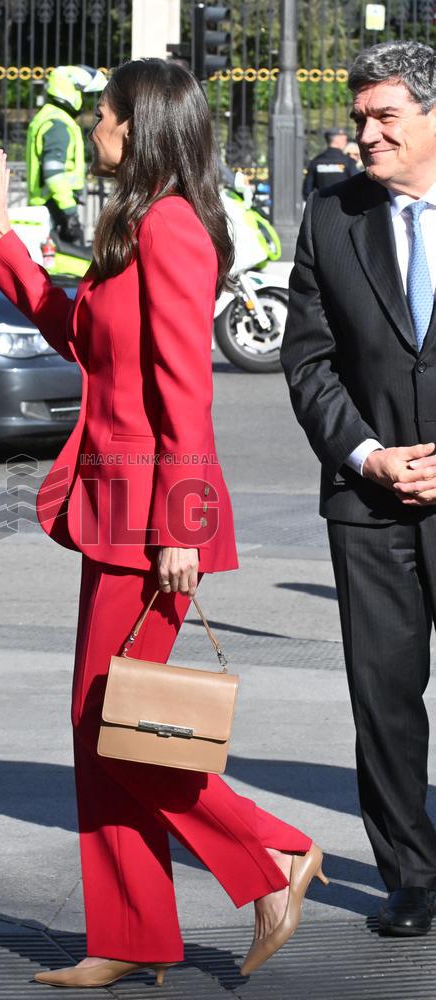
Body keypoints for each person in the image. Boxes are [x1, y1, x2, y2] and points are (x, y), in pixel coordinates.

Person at [0, 58, 325, 988]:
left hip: (154, 518)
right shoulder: (134, 223)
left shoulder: (172, 228)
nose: (93, 129)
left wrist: (184, 527)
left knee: (115, 725)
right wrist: (7, 247)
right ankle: (130, 934)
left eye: (104, 116)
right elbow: (82, 338)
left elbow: (186, 389)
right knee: (104, 722)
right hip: (113, 511)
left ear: (141, 126)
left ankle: (274, 849)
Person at [282, 40, 436, 937]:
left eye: (386, 117)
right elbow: (309, 362)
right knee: (383, 701)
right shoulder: (330, 215)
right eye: (360, 117)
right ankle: (411, 877)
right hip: (368, 503)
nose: (366, 134)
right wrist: (369, 455)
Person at [26, 64, 106, 245]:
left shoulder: (47, 116)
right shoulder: (58, 124)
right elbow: (53, 173)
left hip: (49, 205)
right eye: (79, 92)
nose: (81, 99)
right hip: (55, 208)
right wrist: (70, 213)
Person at [302, 127, 359, 198]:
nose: (346, 142)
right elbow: (359, 184)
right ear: (337, 140)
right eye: (344, 139)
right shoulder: (348, 161)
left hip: (322, 203)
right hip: (344, 203)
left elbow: (307, 190)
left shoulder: (316, 161)